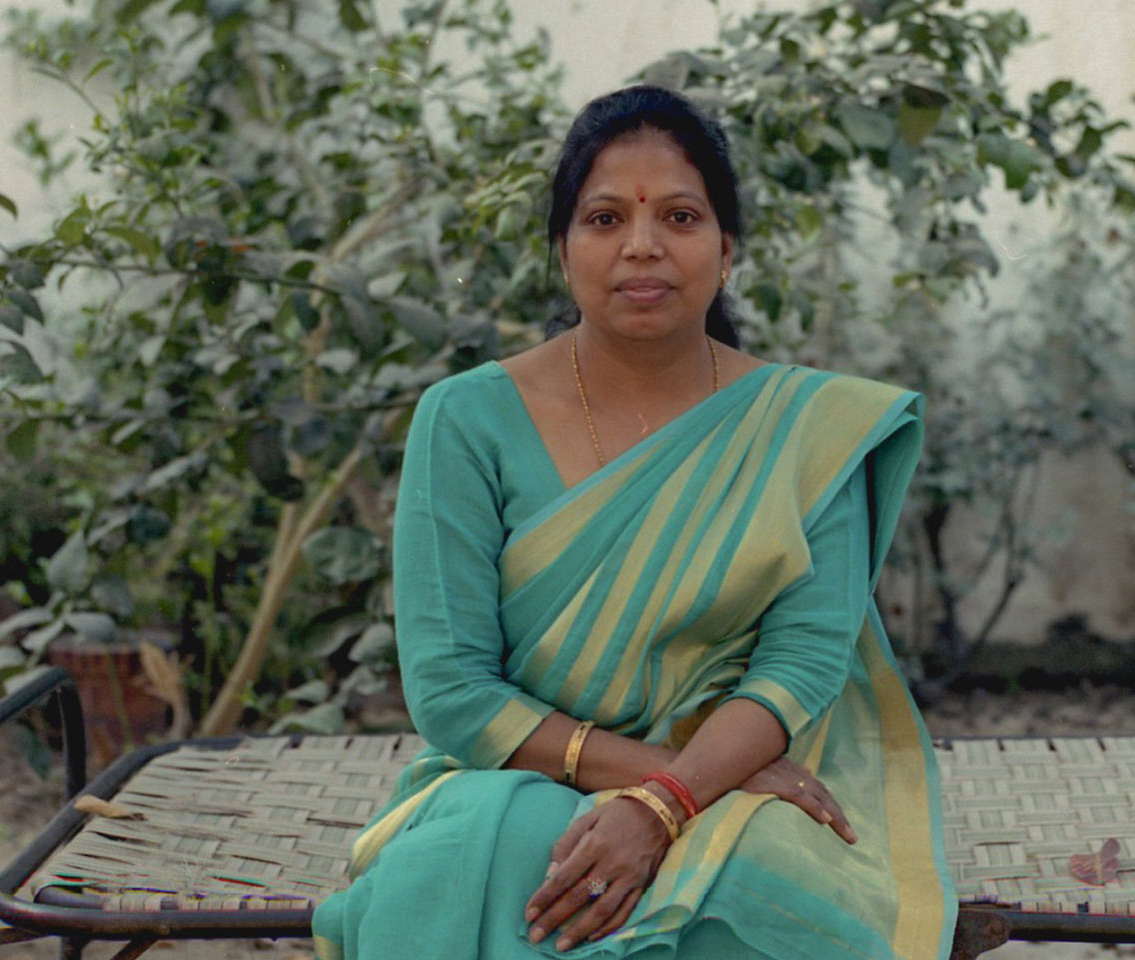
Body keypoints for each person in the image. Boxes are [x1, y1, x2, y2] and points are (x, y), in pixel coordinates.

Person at [311, 85, 955, 959]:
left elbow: (801, 663)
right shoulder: (465, 419)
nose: (642, 246)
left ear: (727, 249)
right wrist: (667, 780)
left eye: (680, 217)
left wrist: (671, 803)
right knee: (495, 847)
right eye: (605, 218)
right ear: (565, 248)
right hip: (522, 772)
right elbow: (454, 690)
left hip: (744, 784)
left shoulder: (805, 430)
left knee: (752, 889)